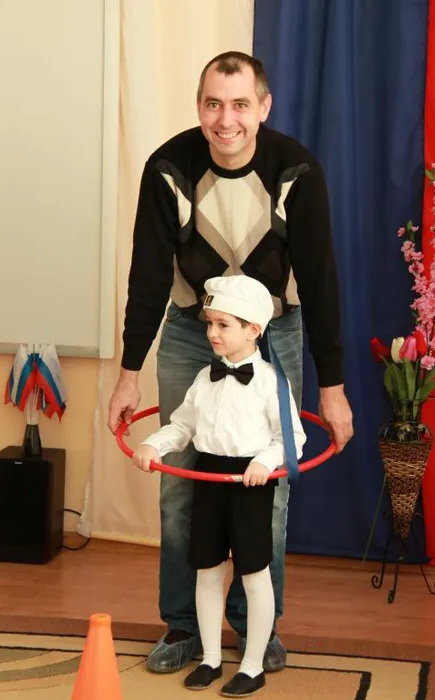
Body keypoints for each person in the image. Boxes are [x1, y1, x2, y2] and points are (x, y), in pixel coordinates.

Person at [108, 50, 353, 675]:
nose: (226, 119)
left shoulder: (296, 171)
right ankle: (183, 625)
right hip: (193, 330)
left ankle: (254, 630)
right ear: (199, 106)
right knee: (179, 487)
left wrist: (332, 385)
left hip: (277, 329)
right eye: (214, 104)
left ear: (263, 108)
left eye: (241, 104)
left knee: (267, 488)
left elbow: (320, 280)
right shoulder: (168, 169)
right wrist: (128, 374)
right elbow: (147, 277)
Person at [133, 275, 306, 696]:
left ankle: (252, 665)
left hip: (251, 484)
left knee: (254, 573)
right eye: (210, 323)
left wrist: (264, 462)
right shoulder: (203, 379)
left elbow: (292, 438)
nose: (211, 332)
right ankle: (210, 658)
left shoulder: (271, 382)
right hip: (208, 479)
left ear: (253, 330)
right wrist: (154, 445)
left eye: (223, 325)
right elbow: (182, 426)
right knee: (207, 570)